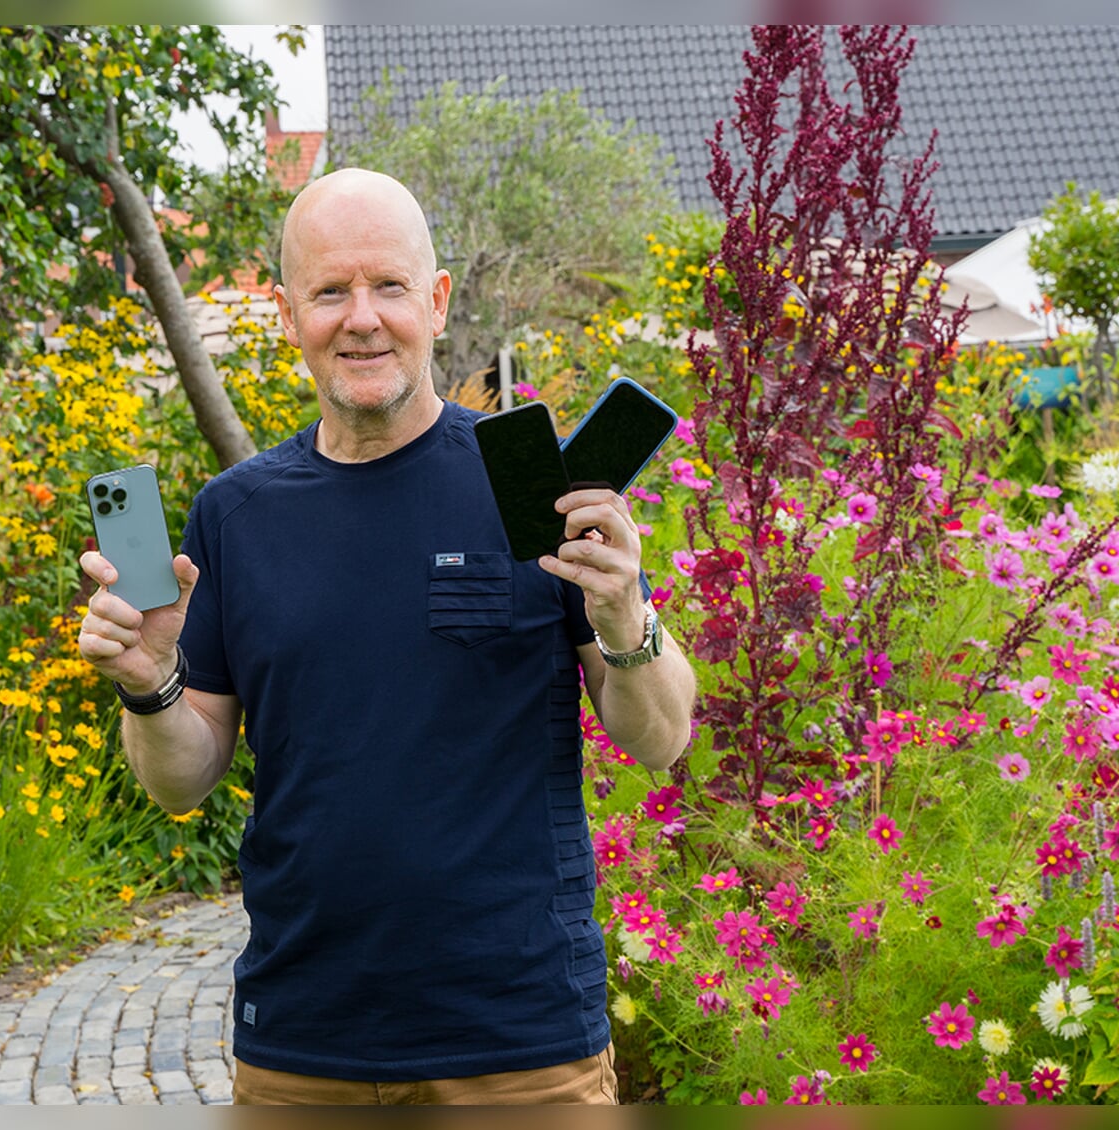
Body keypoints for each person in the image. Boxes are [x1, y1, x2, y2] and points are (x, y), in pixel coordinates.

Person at [76, 168, 695, 1104]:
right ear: (289, 313)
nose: (361, 317)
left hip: (520, 1048)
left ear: (436, 302)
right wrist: (150, 679)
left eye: (388, 286)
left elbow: (661, 736)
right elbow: (179, 778)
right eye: (330, 291)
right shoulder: (235, 518)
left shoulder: (532, 488)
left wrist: (623, 616)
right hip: (302, 1046)